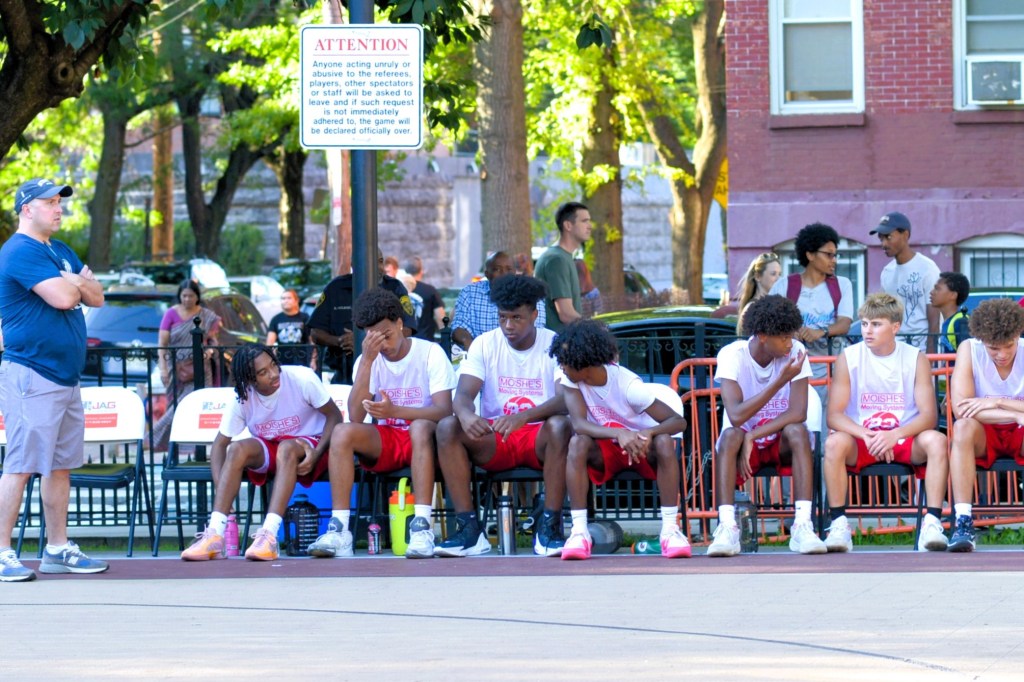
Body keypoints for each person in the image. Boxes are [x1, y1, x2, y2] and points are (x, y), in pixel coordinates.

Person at [0, 178, 108, 582]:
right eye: (49, 202)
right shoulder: (19, 251)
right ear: (27, 209)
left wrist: (73, 281)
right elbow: (65, 298)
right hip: (32, 373)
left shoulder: (59, 250)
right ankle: (2, 552)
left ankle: (57, 549)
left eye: (60, 201)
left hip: (65, 377)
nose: (58, 208)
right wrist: (75, 281)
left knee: (60, 467)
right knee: (20, 465)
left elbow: (97, 296)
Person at [308, 288, 455, 559]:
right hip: (388, 437)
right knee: (342, 432)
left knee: (419, 426)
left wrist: (395, 410)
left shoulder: (430, 353)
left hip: (427, 439)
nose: (384, 344)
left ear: (400, 324)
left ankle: (422, 528)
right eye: (374, 338)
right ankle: (339, 529)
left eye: (387, 335)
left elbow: (444, 411)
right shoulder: (369, 359)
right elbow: (355, 416)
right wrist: (366, 361)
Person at [435, 274, 571, 557]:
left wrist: (524, 416)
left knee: (560, 425)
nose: (508, 325)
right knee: (448, 427)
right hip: (496, 436)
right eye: (502, 317)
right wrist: (466, 415)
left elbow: (565, 400)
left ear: (534, 315)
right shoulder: (484, 343)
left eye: (516, 318)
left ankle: (549, 529)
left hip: (539, 438)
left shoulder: (554, 343)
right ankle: (469, 531)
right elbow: (462, 396)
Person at [180, 343, 342, 561]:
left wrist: (318, 452)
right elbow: (219, 445)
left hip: (311, 445)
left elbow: (335, 416)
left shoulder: (301, 378)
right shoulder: (243, 397)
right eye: (263, 372)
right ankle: (215, 535)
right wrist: (222, 491)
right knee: (237, 448)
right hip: (273, 447)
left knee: (286, 448)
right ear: (249, 380)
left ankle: (269, 536)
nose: (274, 374)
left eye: (273, 365)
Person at [550, 319, 692, 560]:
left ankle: (670, 530)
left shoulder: (629, 386)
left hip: (641, 449)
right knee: (578, 442)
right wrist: (619, 432)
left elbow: (678, 422)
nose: (560, 367)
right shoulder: (571, 380)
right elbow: (579, 424)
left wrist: (648, 433)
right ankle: (579, 532)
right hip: (607, 450)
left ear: (583, 362)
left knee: (664, 441)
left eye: (564, 361)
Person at [822, 293, 949, 553]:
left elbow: (928, 416)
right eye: (864, 324)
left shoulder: (915, 358)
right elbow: (834, 415)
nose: (867, 331)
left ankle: (933, 523)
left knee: (937, 440)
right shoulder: (849, 357)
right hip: (863, 438)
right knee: (833, 443)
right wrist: (866, 433)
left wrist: (894, 435)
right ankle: (838, 525)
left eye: (876, 324)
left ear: (895, 327)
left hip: (904, 436)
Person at [707, 295, 827, 557]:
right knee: (730, 435)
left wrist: (754, 435)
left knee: (798, 431)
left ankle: (802, 526)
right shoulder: (732, 355)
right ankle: (727, 527)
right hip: (740, 444)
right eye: (783, 337)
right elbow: (736, 415)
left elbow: (798, 412)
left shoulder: (796, 352)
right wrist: (780, 380)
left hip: (776, 441)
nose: (790, 343)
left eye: (791, 336)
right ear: (762, 335)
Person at [946, 298, 1024, 552]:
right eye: (993, 348)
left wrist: (997, 401)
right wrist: (1015, 413)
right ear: (981, 341)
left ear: (1018, 334)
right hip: (986, 430)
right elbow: (962, 408)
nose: (1002, 355)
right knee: (962, 427)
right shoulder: (969, 349)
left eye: (1009, 346)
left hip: (1017, 431)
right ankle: (963, 521)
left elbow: (974, 406)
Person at [768, 222, 854, 397]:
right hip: (792, 369)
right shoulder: (784, 286)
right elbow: (767, 322)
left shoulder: (842, 285)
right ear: (810, 255)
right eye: (829, 255)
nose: (834, 260)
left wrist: (820, 332)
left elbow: (845, 323)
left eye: (835, 255)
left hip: (831, 369)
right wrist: (791, 332)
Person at [308, 250, 416, 383]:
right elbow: (316, 333)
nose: (377, 267)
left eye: (380, 261)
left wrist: (366, 341)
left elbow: (407, 329)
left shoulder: (395, 287)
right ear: (353, 265)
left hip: (387, 373)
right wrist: (340, 341)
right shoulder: (336, 288)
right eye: (369, 262)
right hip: (344, 374)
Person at [151, 279, 223, 450]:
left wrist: (209, 351)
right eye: (184, 296)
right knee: (175, 405)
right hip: (175, 368)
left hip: (200, 368)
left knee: (192, 404)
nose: (187, 299)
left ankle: (154, 439)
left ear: (197, 296)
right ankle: (174, 446)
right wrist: (163, 369)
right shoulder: (171, 313)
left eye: (190, 296)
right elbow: (162, 343)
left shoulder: (206, 315)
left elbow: (213, 342)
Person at [450, 251, 545, 351]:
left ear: (515, 273)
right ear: (487, 274)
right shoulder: (470, 293)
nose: (504, 274)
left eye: (509, 269)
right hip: (478, 352)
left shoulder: (530, 294)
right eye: (497, 269)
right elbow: (458, 326)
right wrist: (474, 349)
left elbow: (537, 330)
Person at [873, 212, 940, 352]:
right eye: (881, 239)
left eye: (888, 237)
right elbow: (885, 314)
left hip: (921, 349)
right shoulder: (887, 272)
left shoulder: (927, 268)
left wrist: (930, 357)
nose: (884, 244)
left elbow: (935, 319)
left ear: (905, 235)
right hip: (895, 350)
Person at [534, 202, 591, 332]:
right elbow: (566, 314)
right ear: (568, 225)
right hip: (558, 341)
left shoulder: (563, 257)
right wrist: (594, 329)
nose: (590, 226)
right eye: (584, 221)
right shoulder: (557, 260)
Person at [735, 252, 782, 334]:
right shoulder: (752, 308)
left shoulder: (773, 306)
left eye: (779, 274)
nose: (779, 279)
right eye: (773, 274)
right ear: (758, 276)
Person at [266, 288, 311, 366]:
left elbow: (312, 341)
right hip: (282, 362)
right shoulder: (276, 319)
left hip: (302, 362)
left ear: (296, 300)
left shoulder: (305, 318)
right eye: (283, 298)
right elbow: (270, 343)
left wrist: (313, 360)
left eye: (289, 298)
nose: (286, 301)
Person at [405, 256, 446, 341]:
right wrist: (445, 338)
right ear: (421, 271)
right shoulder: (430, 290)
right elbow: (441, 318)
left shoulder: (397, 290)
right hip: (425, 341)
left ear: (406, 271)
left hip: (404, 342)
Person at [930, 272, 971, 355]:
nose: (931, 292)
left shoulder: (961, 322)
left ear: (953, 295)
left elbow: (968, 355)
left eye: (937, 288)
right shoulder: (947, 321)